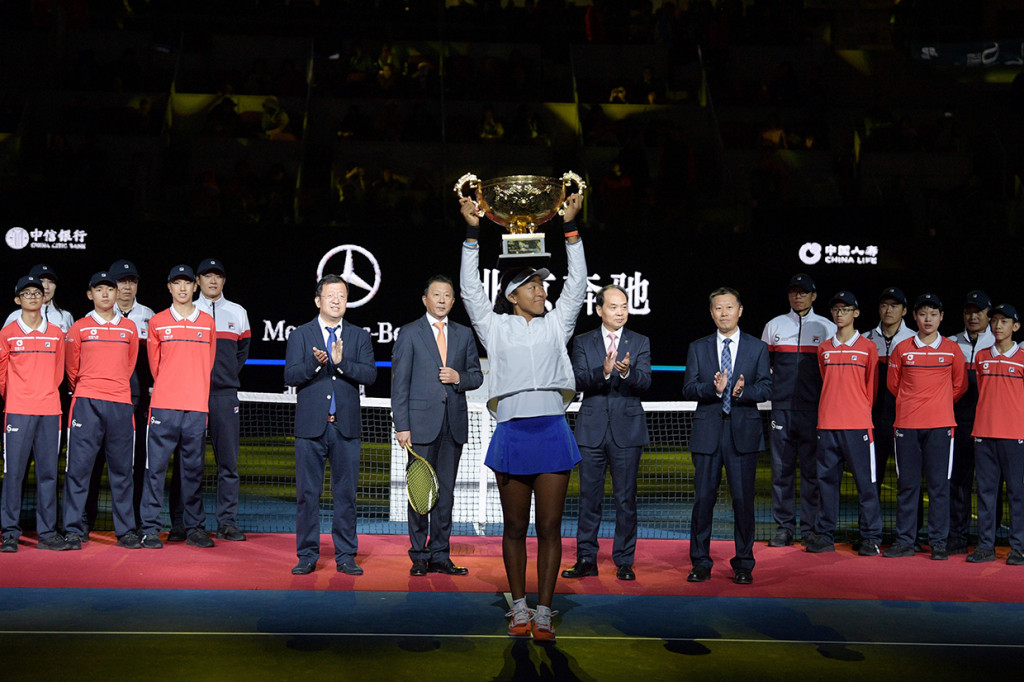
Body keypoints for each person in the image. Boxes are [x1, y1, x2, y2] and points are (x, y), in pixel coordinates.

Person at [460, 191, 585, 642]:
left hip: (552, 430)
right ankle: (518, 607)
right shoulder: (495, 326)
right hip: (512, 431)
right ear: (513, 296)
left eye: (542, 286)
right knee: (514, 527)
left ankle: (544, 611)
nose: (542, 291)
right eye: (533, 286)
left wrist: (570, 229)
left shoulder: (556, 324)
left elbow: (577, 286)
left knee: (549, 527)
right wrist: (472, 232)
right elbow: (470, 291)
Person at [391, 275, 483, 577]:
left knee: (446, 494)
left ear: (453, 301)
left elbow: (476, 376)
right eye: (436, 294)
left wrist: (459, 378)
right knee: (420, 493)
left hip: (452, 426)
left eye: (447, 295)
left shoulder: (464, 334)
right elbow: (399, 384)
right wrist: (402, 425)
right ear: (425, 299)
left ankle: (441, 554)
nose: (442, 300)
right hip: (419, 426)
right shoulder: (410, 333)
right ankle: (419, 555)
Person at [285, 275, 377, 576]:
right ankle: (307, 555)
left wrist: (340, 363)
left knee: (346, 495)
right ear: (318, 300)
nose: (337, 300)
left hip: (346, 428)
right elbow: (290, 376)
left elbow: (370, 375)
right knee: (307, 495)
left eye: (342, 295)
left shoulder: (359, 336)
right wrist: (316, 363)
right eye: (331, 295)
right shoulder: (301, 335)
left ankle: (346, 555)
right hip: (310, 428)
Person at [562, 284, 651, 581]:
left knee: (626, 499)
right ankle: (586, 558)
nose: (620, 312)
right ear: (599, 310)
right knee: (589, 498)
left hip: (627, 431)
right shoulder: (583, 342)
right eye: (613, 307)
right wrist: (604, 372)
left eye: (624, 306)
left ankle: (624, 559)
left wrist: (626, 372)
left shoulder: (639, 341)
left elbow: (645, 381)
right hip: (592, 431)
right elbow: (577, 380)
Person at [683, 287, 772, 585]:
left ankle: (744, 564)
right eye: (718, 308)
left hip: (743, 434)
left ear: (740, 311)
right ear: (711, 313)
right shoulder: (698, 347)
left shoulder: (757, 348)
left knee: (743, 502)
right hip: (708, 433)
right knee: (703, 501)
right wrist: (714, 389)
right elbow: (689, 388)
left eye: (729, 307)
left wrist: (743, 392)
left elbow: (767, 388)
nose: (724, 313)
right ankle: (700, 562)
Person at [168, 258, 250, 542]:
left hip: (224, 396)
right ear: (197, 282)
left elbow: (242, 352)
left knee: (228, 463)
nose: (213, 281)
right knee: (187, 462)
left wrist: (224, 378)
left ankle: (227, 522)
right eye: (207, 276)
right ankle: (181, 523)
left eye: (218, 276)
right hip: (191, 394)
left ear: (223, 281)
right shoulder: (187, 310)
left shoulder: (238, 312)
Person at [138, 265, 217, 550]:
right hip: (164, 407)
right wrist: (171, 387)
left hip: (196, 408)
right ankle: (149, 528)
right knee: (155, 470)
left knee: (193, 471)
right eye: (176, 283)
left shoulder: (207, 322)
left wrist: (193, 390)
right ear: (169, 287)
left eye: (187, 283)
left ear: (195, 286)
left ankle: (193, 527)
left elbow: (208, 363)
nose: (182, 288)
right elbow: (155, 366)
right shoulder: (157, 322)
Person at [61, 271, 141, 550]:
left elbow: (129, 364)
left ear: (117, 293)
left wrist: (114, 387)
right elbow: (71, 369)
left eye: (110, 289)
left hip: (120, 405)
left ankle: (126, 531)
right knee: (78, 470)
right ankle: (72, 530)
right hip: (86, 403)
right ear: (90, 294)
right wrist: (89, 388)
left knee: (122, 472)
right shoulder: (79, 328)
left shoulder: (129, 328)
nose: (105, 294)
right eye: (99, 289)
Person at [884, 294, 966, 560]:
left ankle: (938, 543)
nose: (928, 319)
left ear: (941, 317)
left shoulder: (952, 349)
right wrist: (913, 405)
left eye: (933, 314)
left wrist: (937, 405)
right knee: (907, 486)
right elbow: (893, 384)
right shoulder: (902, 348)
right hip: (906, 426)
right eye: (922, 314)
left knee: (939, 486)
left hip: (941, 427)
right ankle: (905, 541)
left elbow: (959, 385)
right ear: (914, 317)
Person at [761, 274, 836, 547]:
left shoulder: (827, 327)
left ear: (813, 296)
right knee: (781, 472)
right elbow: (764, 366)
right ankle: (784, 528)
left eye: (803, 292)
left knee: (812, 473)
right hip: (781, 410)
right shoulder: (773, 326)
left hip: (814, 411)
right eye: (793, 291)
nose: (798, 296)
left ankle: (809, 529)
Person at [807, 292, 882, 556]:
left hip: (858, 426)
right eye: (836, 309)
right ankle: (825, 535)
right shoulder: (824, 348)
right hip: (827, 425)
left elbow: (871, 388)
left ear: (856, 313)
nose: (840, 314)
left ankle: (871, 538)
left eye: (846, 309)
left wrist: (859, 413)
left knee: (866, 484)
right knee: (826, 484)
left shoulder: (868, 347)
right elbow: (826, 380)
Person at [0, 276, 69, 552]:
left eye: (37, 292)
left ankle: (47, 532)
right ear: (17, 300)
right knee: (13, 473)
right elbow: (2, 375)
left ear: (44, 298)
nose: (32, 297)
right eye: (26, 293)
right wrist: (16, 397)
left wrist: (43, 393)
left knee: (48, 474)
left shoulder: (56, 333)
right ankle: (9, 533)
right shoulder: (7, 333)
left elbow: (58, 372)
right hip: (17, 411)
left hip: (49, 411)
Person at [967, 304, 1024, 565]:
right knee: (986, 493)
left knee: (1017, 493)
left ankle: (1018, 548)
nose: (998, 326)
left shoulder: (1022, 357)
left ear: (1016, 327)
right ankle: (985, 547)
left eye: (1005, 321)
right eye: (995, 321)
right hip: (984, 434)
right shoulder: (981, 357)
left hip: (1015, 436)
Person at [107, 259, 156, 533]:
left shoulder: (150, 316)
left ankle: (136, 520)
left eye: (132, 281)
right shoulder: (97, 315)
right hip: (106, 399)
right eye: (121, 281)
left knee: (138, 462)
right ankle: (84, 521)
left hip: (140, 403)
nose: (127, 286)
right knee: (97, 462)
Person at [947, 290, 994, 554]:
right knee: (958, 482)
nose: (973, 316)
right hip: (960, 425)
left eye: (978, 312)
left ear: (988, 315)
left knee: (991, 485)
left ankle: (990, 539)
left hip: (992, 426)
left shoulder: (1000, 342)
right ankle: (957, 536)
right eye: (968, 312)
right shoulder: (951, 343)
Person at [863, 287, 915, 511]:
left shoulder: (915, 340)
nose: (888, 310)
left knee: (908, 476)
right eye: (884, 305)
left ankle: (910, 529)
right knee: (872, 476)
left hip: (905, 419)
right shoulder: (864, 339)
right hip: (872, 420)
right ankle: (869, 527)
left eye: (894, 306)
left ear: (904, 311)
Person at [4, 264, 75, 332]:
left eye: (51, 282)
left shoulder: (66, 316)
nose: (46, 286)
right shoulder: (15, 316)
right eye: (41, 281)